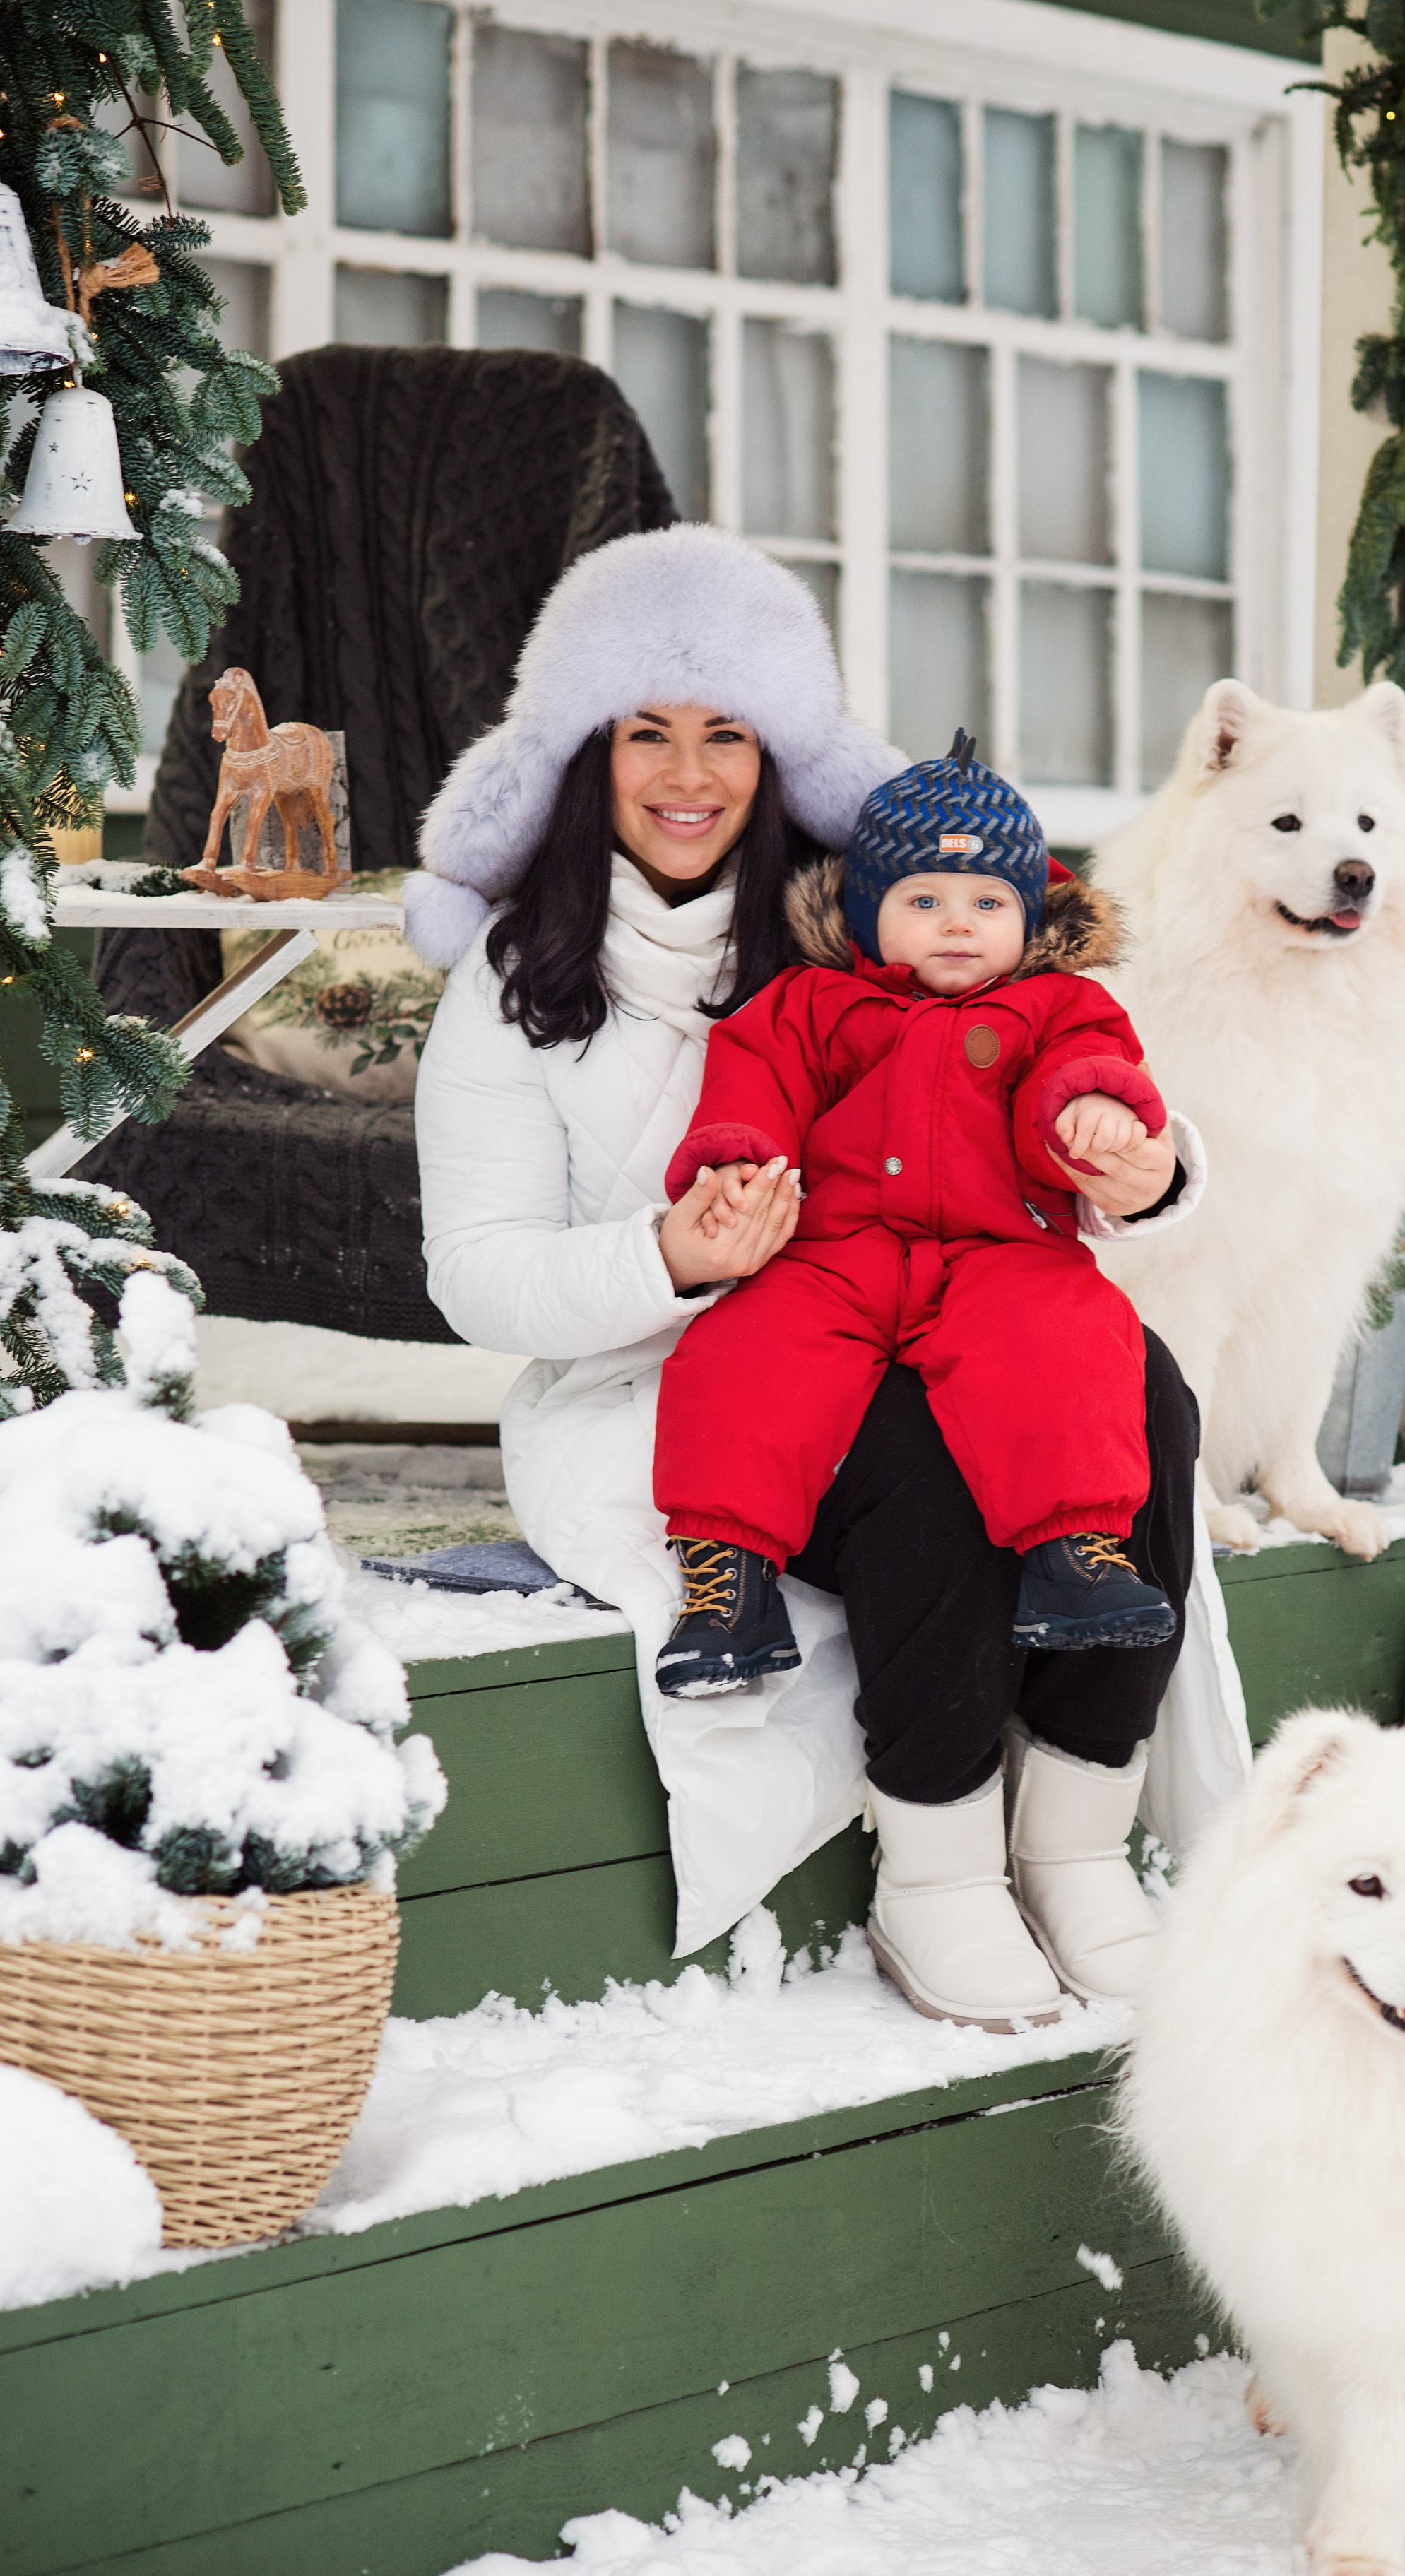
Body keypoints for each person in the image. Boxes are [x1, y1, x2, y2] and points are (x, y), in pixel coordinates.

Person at [408, 523, 1244, 2034]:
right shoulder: (514, 982)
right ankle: (931, 1863)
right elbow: (475, 1274)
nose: (686, 772)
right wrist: (672, 1255)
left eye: (726, 731)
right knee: (921, 1466)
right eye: (643, 732)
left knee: (1147, 1405)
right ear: (580, 759)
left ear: (779, 751)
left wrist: (1146, 1161)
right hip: (676, 1369)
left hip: (949, 1298)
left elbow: (1060, 1053)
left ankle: (1072, 1835)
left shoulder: (872, 913)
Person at [652, 736, 1180, 1706]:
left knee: (1073, 1340)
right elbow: (754, 1080)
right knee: (738, 1359)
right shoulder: (813, 1004)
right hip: (832, 1255)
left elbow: (1091, 1065)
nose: (957, 925)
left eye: (988, 905)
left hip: (1001, 1250)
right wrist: (734, 1160)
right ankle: (727, 1585)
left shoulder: (1056, 1005)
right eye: (924, 901)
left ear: (1028, 918)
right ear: (867, 913)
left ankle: (1076, 1553)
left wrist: (1092, 1105)